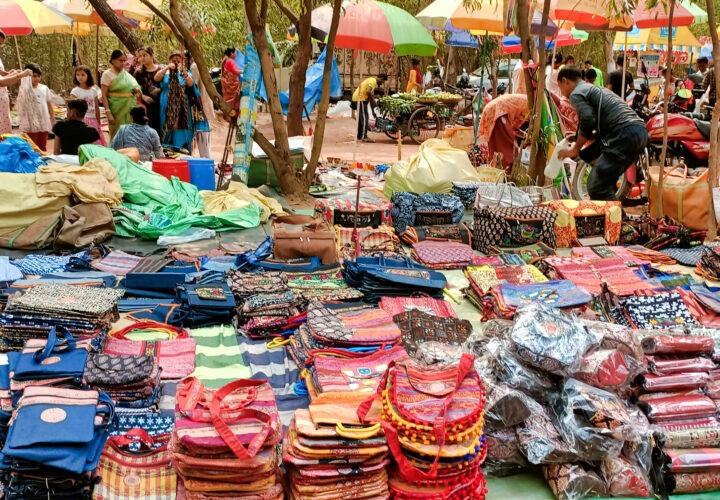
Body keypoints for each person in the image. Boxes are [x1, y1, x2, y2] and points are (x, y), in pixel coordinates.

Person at [557, 65, 648, 201]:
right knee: (604, 181)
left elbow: (588, 120)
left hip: (624, 133)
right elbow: (593, 121)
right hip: (638, 131)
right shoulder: (593, 88)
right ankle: (614, 217)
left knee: (596, 186)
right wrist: (577, 138)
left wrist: (575, 149)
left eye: (560, 87)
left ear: (565, 81)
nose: (562, 92)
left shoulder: (576, 93)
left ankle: (615, 220)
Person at [154, 50, 210, 153]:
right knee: (167, 129)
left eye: (178, 60)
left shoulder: (185, 72)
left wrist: (184, 72)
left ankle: (183, 152)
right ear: (169, 61)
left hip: (182, 109)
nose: (176, 62)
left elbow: (190, 84)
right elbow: (156, 78)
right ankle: (168, 153)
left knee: (182, 131)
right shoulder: (164, 72)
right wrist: (167, 68)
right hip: (166, 107)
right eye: (173, 60)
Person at [478, 94, 529, 172]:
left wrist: (524, 135)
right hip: (498, 112)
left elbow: (515, 127)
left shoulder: (528, 103)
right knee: (508, 146)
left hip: (496, 110)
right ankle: (505, 173)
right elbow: (516, 124)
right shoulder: (532, 108)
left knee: (497, 145)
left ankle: (498, 172)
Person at [101, 50, 141, 139]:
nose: (123, 63)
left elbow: (135, 88)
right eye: (120, 60)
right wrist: (108, 112)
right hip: (115, 109)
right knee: (116, 135)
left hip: (129, 108)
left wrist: (136, 90)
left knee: (129, 135)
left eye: (124, 61)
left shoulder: (126, 74)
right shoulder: (107, 74)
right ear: (113, 60)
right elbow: (104, 95)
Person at [17, 64, 54, 151]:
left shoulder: (45, 88)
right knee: (32, 147)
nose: (36, 78)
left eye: (38, 76)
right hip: (30, 123)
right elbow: (21, 106)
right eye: (33, 76)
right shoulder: (24, 90)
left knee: (42, 146)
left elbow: (49, 104)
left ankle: (43, 162)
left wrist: (52, 118)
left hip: (44, 121)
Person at [70, 65, 106, 146]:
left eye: (83, 75)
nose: (80, 77)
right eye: (77, 75)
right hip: (80, 120)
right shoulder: (75, 91)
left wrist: (98, 121)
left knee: (94, 143)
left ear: (88, 76)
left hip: (93, 120)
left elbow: (96, 107)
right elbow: (72, 108)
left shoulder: (93, 91)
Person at [132, 46, 163, 136]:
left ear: (152, 55)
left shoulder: (161, 70)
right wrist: (143, 96)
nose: (142, 58)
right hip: (146, 107)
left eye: (144, 55)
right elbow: (133, 89)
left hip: (161, 105)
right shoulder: (138, 72)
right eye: (140, 56)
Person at [188, 52, 212, 158]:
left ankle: (206, 161)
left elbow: (193, 85)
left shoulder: (194, 67)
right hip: (199, 105)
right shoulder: (197, 65)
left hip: (198, 106)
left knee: (202, 136)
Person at [352, 73, 386, 143]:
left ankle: (359, 135)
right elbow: (368, 91)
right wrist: (373, 99)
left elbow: (370, 99)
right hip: (360, 98)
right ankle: (364, 137)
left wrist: (373, 111)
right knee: (365, 118)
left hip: (358, 98)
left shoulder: (372, 82)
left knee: (361, 118)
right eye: (383, 81)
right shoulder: (373, 81)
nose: (382, 83)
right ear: (381, 78)